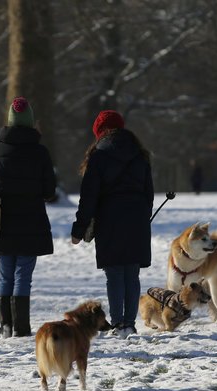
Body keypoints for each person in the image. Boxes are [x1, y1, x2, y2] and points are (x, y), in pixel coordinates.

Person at [71, 110, 154, 339]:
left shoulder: (98, 155)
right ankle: (129, 323)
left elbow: (88, 197)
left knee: (115, 273)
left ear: (101, 132)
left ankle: (118, 323)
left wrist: (79, 229)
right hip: (136, 219)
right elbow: (149, 192)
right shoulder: (140, 154)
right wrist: (143, 216)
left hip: (110, 219)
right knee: (132, 273)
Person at [0, 97, 56, 337]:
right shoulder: (39, 151)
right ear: (31, 122)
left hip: (3, 221)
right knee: (23, 275)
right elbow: (50, 191)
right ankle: (22, 327)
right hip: (31, 221)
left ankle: (6, 325)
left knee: (5, 274)